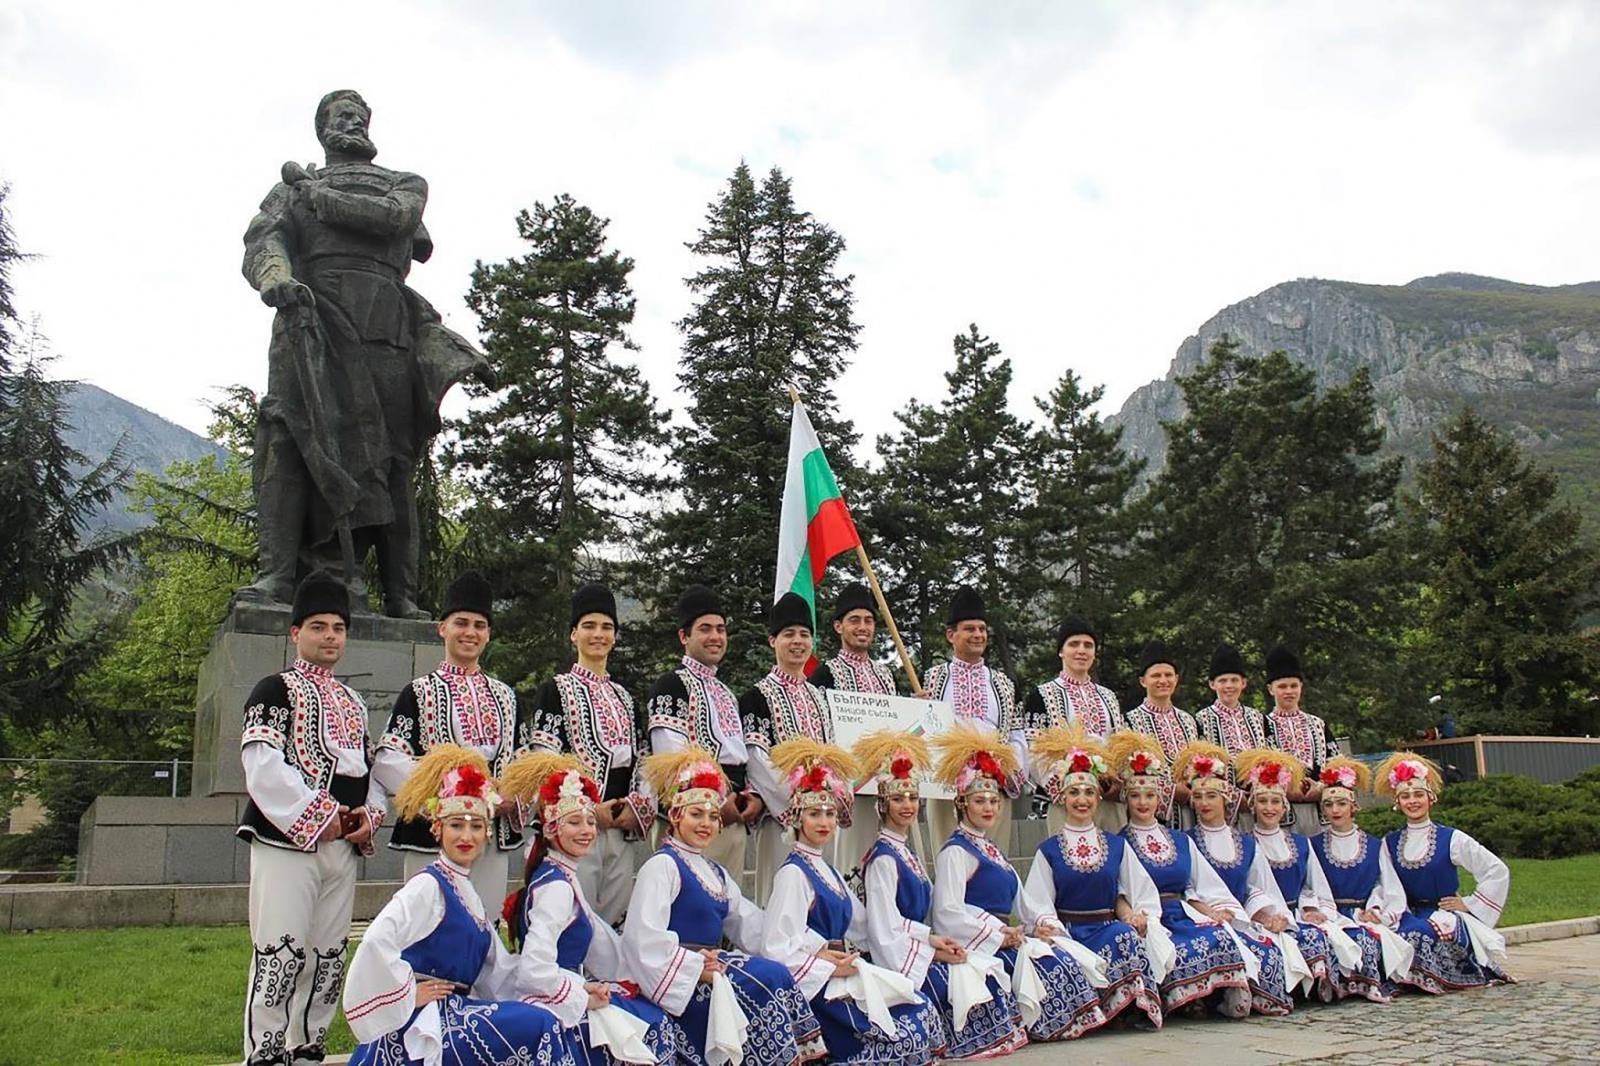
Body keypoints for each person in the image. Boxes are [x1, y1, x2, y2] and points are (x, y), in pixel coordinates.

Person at [237, 90, 485, 617]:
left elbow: (395, 220)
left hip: (383, 326)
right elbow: (264, 242)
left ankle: (401, 596)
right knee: (287, 437)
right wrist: (277, 279)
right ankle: (277, 576)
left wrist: (316, 194)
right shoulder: (287, 193)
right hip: (310, 318)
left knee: (391, 458)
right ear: (321, 130)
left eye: (359, 115)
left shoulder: (404, 182)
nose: (351, 122)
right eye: (338, 116)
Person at [343, 745, 573, 1066]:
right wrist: (409, 995)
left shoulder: (466, 892)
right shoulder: (428, 886)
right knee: (540, 1026)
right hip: (425, 1022)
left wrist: (567, 988)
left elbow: (500, 971)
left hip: (457, 1011)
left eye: (476, 826)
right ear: (438, 830)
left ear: (487, 833)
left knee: (544, 1016)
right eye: (456, 825)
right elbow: (376, 940)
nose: (466, 835)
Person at [238, 571, 385, 1066]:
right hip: (286, 843)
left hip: (341, 849)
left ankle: (309, 1046)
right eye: (318, 626)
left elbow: (366, 772)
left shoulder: (354, 702)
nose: (330, 636)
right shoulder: (273, 689)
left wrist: (368, 815)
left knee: (326, 955)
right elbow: (263, 765)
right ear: (295, 633)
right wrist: (323, 816)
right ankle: (266, 1051)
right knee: (280, 950)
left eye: (338, 628)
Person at [622, 747, 825, 1066]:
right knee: (765, 979)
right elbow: (641, 939)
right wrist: (693, 969)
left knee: (775, 971)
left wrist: (809, 948)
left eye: (714, 816)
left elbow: (753, 926)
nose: (706, 824)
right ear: (675, 815)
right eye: (696, 814)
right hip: (684, 982)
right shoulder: (662, 866)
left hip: (709, 972)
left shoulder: (715, 872)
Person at [761, 738, 946, 1065]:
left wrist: (922, 940)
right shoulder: (793, 873)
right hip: (818, 983)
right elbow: (777, 944)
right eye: (815, 813)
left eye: (830, 814)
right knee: (904, 1035)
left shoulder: (828, 870)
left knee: (920, 1008)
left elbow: (864, 925)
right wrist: (827, 962)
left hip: (843, 968)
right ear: (797, 819)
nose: (824, 822)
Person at [853, 730, 1027, 1061]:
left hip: (920, 945)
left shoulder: (906, 852)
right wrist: (929, 949)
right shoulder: (884, 857)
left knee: (981, 971)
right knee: (974, 977)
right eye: (898, 799)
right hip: (901, 956)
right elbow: (883, 926)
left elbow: (924, 917)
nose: (907, 806)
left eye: (912, 798)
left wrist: (934, 941)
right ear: (882, 804)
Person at [929, 724, 1107, 1042]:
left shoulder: (992, 850)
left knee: (1063, 955)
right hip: (981, 943)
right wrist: (998, 934)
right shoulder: (955, 852)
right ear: (962, 805)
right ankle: (1040, 1025)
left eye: (993, 801)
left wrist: (1037, 924)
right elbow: (947, 912)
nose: (988, 808)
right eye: (980, 801)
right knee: (1050, 968)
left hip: (1006, 937)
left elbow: (1022, 900)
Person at [500, 752, 677, 1066]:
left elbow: (600, 943)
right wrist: (582, 992)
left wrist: (640, 976)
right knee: (652, 1026)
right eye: (574, 822)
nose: (586, 830)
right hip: (554, 1001)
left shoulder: (562, 876)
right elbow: (533, 970)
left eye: (591, 821)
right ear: (553, 828)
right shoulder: (556, 887)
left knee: (647, 1013)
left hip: (564, 991)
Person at [376, 570, 520, 906]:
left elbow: (519, 760)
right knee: (430, 926)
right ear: (443, 628)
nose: (470, 632)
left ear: (488, 635)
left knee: (483, 929)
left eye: (479, 625)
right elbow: (388, 759)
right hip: (434, 837)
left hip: (490, 834)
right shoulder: (419, 692)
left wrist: (512, 796)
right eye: (461, 622)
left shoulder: (506, 696)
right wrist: (448, 793)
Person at [519, 583, 652, 924]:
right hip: (574, 829)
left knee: (611, 919)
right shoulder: (556, 690)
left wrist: (633, 807)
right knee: (573, 918)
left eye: (607, 627)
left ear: (615, 637)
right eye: (589, 626)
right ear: (573, 635)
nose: (599, 634)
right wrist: (590, 812)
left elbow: (642, 760)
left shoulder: (623, 696)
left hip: (620, 829)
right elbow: (546, 764)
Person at [1024, 727, 1165, 1029]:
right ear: (1062, 798)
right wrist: (1049, 928)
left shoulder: (1116, 845)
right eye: (1074, 792)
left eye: (1089, 792)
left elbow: (1137, 889)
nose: (1082, 800)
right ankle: (1090, 1012)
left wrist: (1138, 915)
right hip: (1069, 931)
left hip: (1105, 928)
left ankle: (1126, 1008)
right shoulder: (1048, 850)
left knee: (1124, 936)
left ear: (1099, 798)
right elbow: (1038, 903)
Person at [1111, 732, 1253, 1018]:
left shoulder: (1179, 840)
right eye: (1136, 795)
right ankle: (1183, 1000)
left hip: (1181, 911)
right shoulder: (1118, 841)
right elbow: (1117, 891)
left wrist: (1214, 912)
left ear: (1159, 799)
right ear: (1126, 800)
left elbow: (1194, 887)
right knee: (1167, 944)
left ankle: (1212, 997)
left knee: (1219, 934)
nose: (1143, 802)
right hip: (1147, 915)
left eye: (1149, 795)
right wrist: (1129, 916)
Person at [645, 586, 762, 894]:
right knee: (690, 906)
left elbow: (739, 756)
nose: (715, 637)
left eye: (721, 629)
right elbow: (671, 757)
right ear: (684, 637)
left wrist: (749, 797)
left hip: (732, 818)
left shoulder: (725, 692)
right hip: (694, 820)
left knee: (728, 908)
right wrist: (714, 807)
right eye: (705, 629)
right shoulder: (671, 685)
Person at [1376, 751, 1512, 994]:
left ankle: (1435, 976)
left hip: (1443, 913)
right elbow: (1388, 886)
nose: (1412, 801)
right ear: (1398, 803)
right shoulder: (1390, 842)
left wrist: (1469, 903)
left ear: (1431, 799)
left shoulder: (1452, 838)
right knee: (1395, 934)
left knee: (1418, 934)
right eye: (1405, 797)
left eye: (1418, 795)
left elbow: (1496, 870)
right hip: (1406, 912)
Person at [1176, 741, 1295, 1016]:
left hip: (1243, 917)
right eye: (1199, 796)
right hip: (1205, 918)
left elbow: (1257, 887)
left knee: (1269, 950)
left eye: (1211, 796)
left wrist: (1266, 916)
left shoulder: (1247, 843)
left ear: (1226, 799)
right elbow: (1186, 890)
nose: (1204, 803)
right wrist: (1212, 913)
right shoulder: (1185, 841)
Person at [807, 582, 908, 873]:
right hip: (849, 788)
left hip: (887, 788)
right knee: (854, 863)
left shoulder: (886, 675)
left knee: (890, 865)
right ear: (839, 626)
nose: (862, 627)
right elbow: (819, 734)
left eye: (868, 620)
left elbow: (897, 724)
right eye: (854, 620)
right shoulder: (825, 675)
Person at [742, 592, 836, 901]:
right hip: (782, 820)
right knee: (782, 897)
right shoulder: (757, 696)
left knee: (820, 898)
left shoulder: (820, 698)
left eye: (804, 634)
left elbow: (833, 754)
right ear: (773, 641)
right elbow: (757, 761)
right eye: (789, 634)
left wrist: (827, 801)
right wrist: (799, 808)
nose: (798, 642)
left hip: (823, 818)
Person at [921, 588, 1027, 849]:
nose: (978, 634)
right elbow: (924, 731)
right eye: (970, 629)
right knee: (948, 859)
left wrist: (1009, 771)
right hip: (947, 787)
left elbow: (1015, 734)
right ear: (951, 635)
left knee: (991, 864)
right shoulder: (932, 678)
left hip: (993, 786)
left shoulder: (1003, 683)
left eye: (982, 628)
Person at [1234, 749, 1338, 1002]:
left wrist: (1310, 907)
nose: (1269, 808)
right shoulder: (1244, 844)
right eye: (1263, 801)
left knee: (1315, 935)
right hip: (1262, 919)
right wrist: (1266, 917)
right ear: (1252, 805)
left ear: (1285, 806)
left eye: (1275, 802)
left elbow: (1312, 885)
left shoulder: (1301, 843)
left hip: (1296, 914)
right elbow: (1246, 889)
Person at [1308, 757, 1407, 1002]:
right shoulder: (1314, 845)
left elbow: (1384, 884)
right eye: (1329, 804)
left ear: (1354, 807)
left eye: (1341, 803)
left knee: (1369, 935)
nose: (1335, 810)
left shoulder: (1374, 845)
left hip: (1363, 913)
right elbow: (1309, 884)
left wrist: (1375, 908)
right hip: (1330, 914)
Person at [1021, 617, 1127, 834]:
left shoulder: (1108, 697)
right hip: (1067, 799)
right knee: (1071, 862)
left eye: (1088, 645)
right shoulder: (1042, 694)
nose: (1082, 651)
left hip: (1108, 799)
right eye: (1074, 644)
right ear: (1061, 651)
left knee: (1114, 862)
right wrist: (1064, 789)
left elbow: (1120, 742)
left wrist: (1118, 782)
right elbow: (1035, 750)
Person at [1120, 641, 1199, 829]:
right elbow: (1126, 774)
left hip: (1192, 811)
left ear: (1176, 678)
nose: (1163, 680)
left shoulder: (1189, 720)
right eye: (1156, 675)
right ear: (1143, 681)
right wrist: (1171, 791)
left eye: (1168, 675)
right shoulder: (1129, 722)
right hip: (1151, 815)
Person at [1261, 646, 1340, 829]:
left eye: (1293, 686)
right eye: (1282, 686)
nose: (1289, 691)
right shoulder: (1262, 725)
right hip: (1281, 815)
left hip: (1320, 812)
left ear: (1301, 687)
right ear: (1270, 689)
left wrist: (1321, 787)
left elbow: (1338, 765)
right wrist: (1287, 788)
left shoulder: (1318, 724)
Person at [1194, 644, 1265, 828]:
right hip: (1222, 806)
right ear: (1212, 684)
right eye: (1223, 680)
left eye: (1234, 680)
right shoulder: (1201, 719)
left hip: (1260, 803)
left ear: (1243, 683)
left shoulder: (1257, 717)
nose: (1229, 686)